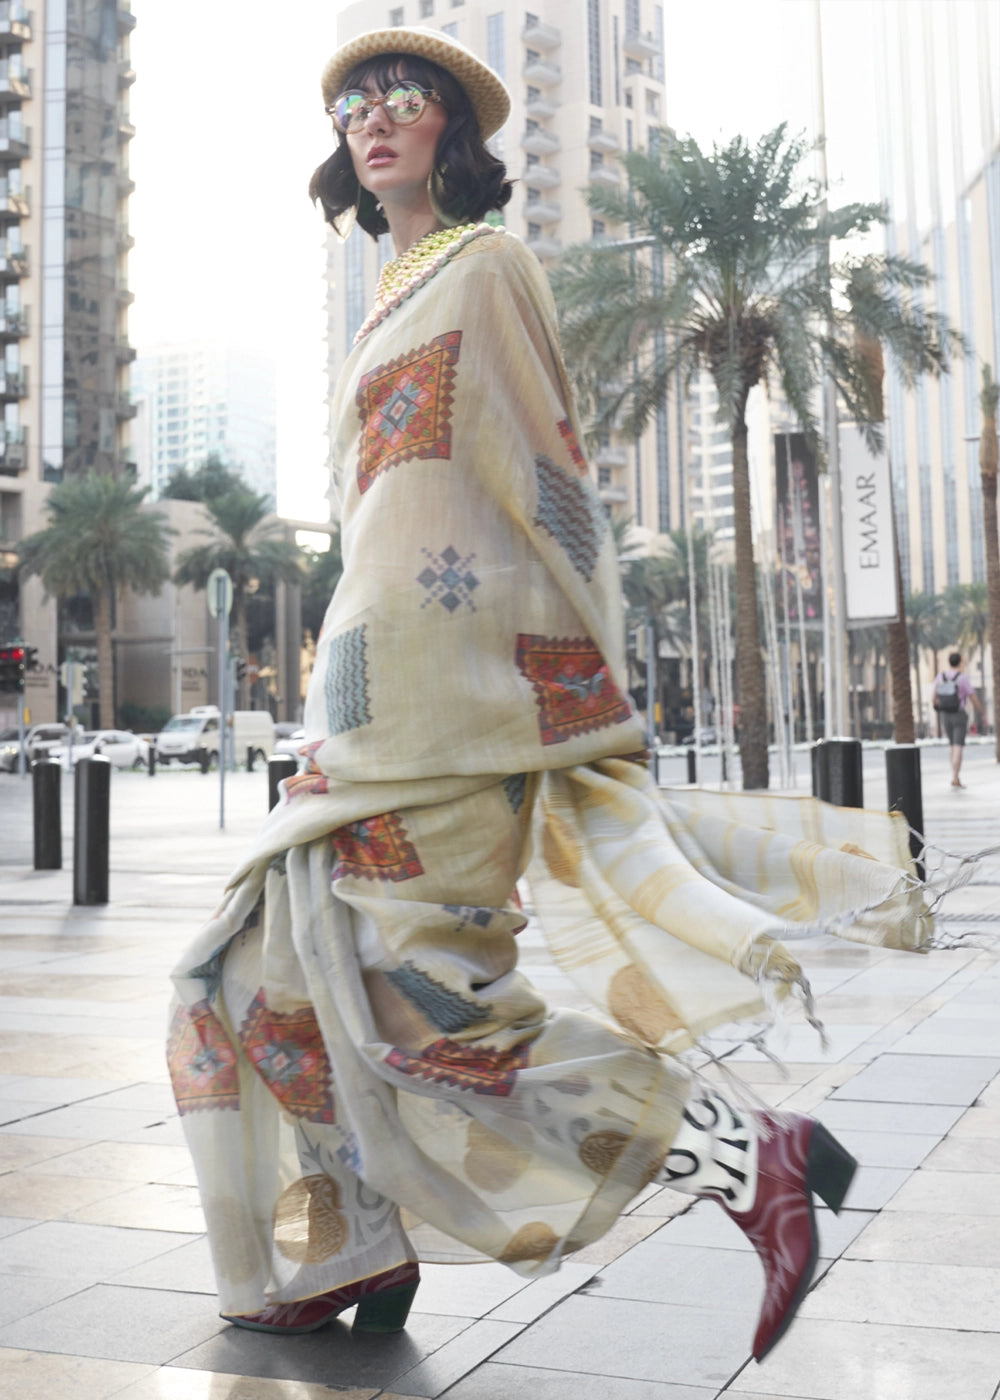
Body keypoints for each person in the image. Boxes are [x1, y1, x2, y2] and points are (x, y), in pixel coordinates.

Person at [168, 28, 930, 1366]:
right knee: (243, 983)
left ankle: (750, 1155)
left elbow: (550, 477)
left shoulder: (488, 265)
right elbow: (378, 528)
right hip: (364, 713)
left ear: (452, 131)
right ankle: (342, 1247)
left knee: (431, 1014)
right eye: (354, 106)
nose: (374, 119)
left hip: (457, 715)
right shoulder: (388, 291)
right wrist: (328, 709)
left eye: (404, 98)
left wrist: (560, 687)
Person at [933, 649, 984, 788]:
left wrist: (938, 708)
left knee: (952, 745)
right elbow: (972, 697)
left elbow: (934, 698)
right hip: (959, 714)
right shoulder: (962, 678)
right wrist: (981, 712)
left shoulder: (940, 677)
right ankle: (956, 777)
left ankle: (954, 775)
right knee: (958, 746)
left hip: (945, 714)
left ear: (949, 662)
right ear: (960, 662)